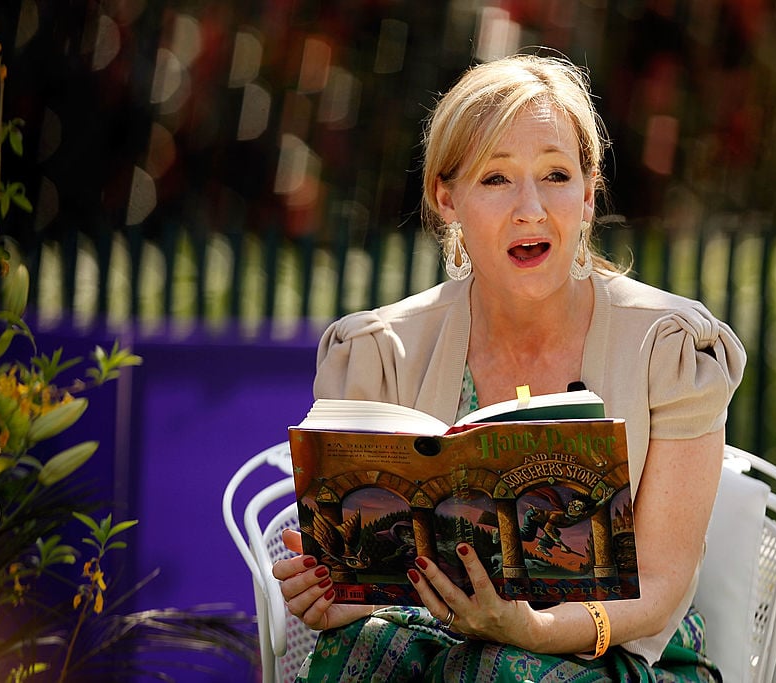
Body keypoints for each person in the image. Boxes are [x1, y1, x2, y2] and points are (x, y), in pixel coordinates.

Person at [272, 52, 746, 683]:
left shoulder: (671, 348)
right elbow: (359, 570)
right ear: (447, 198)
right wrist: (333, 598)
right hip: (429, 645)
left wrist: (534, 630)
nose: (531, 208)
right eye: (496, 179)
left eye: (555, 175)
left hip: (614, 657)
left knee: (501, 672)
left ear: (587, 192)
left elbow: (659, 586)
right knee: (358, 657)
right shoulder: (376, 352)